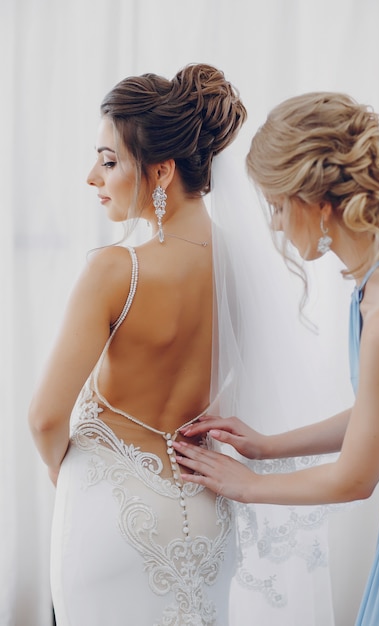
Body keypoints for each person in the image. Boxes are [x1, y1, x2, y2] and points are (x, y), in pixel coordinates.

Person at [173, 92, 379, 625]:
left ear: (318, 202)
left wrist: (249, 487)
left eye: (279, 207)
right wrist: (266, 446)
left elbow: (356, 478)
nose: (278, 226)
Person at [28, 63, 246, 626]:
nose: (92, 178)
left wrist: (79, 480)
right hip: (206, 518)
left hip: (114, 521)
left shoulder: (116, 269)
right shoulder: (238, 269)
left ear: (163, 171)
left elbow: (45, 417)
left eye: (108, 161)